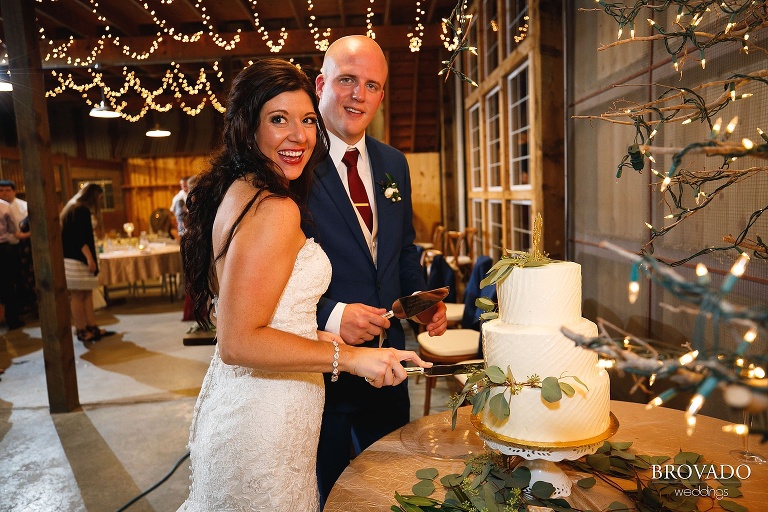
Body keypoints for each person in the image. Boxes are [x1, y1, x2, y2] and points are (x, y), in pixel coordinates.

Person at [177, 58, 431, 511]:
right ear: (247, 127)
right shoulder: (275, 206)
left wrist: (369, 353)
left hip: (266, 402)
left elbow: (264, 317)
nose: (298, 136)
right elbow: (237, 341)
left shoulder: (245, 189)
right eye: (278, 120)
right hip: (267, 418)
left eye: (306, 120)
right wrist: (348, 355)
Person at [304, 35, 448, 503]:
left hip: (389, 365)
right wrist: (331, 314)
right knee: (329, 490)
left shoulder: (393, 164)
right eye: (347, 80)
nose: (358, 95)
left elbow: (402, 249)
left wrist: (421, 302)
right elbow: (280, 278)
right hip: (320, 370)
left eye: (372, 84)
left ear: (382, 95)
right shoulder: (295, 164)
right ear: (322, 84)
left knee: (392, 485)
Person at [60, 183, 115, 342]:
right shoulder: (80, 210)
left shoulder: (73, 207)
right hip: (78, 259)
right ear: (92, 196)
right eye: (98, 197)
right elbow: (80, 237)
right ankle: (82, 330)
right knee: (78, 295)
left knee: (87, 293)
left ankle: (92, 326)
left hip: (77, 258)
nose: (99, 200)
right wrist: (90, 259)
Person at [0, 180, 35, 315]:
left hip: (23, 246)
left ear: (14, 191)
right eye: (1, 190)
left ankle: (27, 305)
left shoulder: (24, 206)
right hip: (6, 247)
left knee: (24, 277)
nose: (4, 193)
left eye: (8, 190)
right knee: (8, 281)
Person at [0, 198, 23, 330]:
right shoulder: (4, 205)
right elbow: (13, 228)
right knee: (8, 284)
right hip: (2, 248)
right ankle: (12, 320)